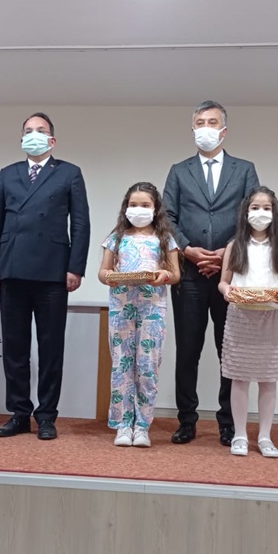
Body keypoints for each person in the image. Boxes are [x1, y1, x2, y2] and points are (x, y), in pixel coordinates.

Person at [0, 112, 91, 440]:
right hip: (12, 268)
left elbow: (81, 223)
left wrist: (75, 267)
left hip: (52, 272)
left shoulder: (69, 173)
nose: (34, 135)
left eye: (40, 130)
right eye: (28, 131)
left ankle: (46, 415)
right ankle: (19, 413)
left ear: (52, 140)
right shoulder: (7, 174)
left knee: (50, 347)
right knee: (15, 348)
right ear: (21, 140)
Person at [163, 100, 260, 446]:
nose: (206, 127)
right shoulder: (179, 170)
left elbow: (254, 215)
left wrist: (226, 253)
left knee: (228, 350)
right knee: (188, 351)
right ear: (193, 129)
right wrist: (187, 249)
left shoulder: (244, 169)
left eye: (212, 122)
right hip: (188, 273)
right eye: (200, 122)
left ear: (224, 130)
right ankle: (186, 420)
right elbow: (167, 217)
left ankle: (228, 422)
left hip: (230, 276)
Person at [97, 182, 180, 448]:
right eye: (133, 205)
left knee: (148, 366)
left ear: (155, 209)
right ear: (126, 207)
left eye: (145, 205)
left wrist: (163, 275)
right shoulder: (116, 237)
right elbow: (103, 271)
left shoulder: (165, 238)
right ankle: (123, 424)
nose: (139, 209)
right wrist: (109, 277)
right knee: (121, 365)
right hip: (122, 306)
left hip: (152, 307)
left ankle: (142, 426)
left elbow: (175, 274)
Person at [217, 188, 278, 457]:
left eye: (266, 208)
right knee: (238, 378)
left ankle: (265, 436)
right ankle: (239, 434)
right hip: (240, 316)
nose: (260, 213)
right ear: (245, 212)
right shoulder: (235, 246)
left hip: (271, 316)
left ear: (275, 213)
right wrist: (227, 292)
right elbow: (224, 282)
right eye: (254, 208)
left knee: (268, 378)